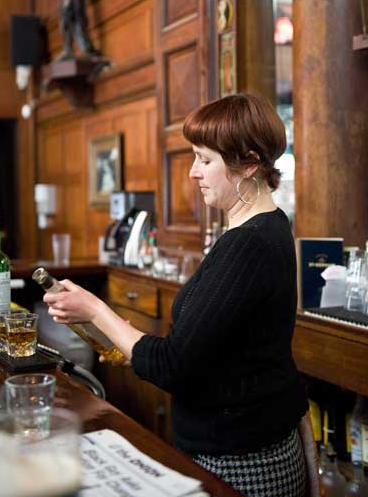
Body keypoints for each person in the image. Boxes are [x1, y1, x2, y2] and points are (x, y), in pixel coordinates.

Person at [43, 93, 308, 497]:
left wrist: (95, 310)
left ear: (250, 163)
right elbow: (211, 350)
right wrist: (122, 333)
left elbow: (173, 365)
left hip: (241, 461)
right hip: (245, 445)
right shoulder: (265, 228)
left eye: (205, 159)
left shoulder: (248, 245)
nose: (193, 173)